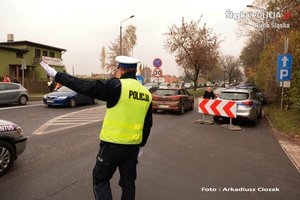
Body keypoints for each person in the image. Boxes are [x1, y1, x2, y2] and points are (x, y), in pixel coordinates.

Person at [40, 56, 153, 200]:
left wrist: (57, 75)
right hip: (132, 148)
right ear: (134, 70)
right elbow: (148, 124)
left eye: (117, 68)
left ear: (121, 69)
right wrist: (141, 146)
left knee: (100, 180)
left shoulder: (117, 86)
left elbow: (86, 86)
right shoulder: (146, 94)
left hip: (113, 146)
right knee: (128, 184)